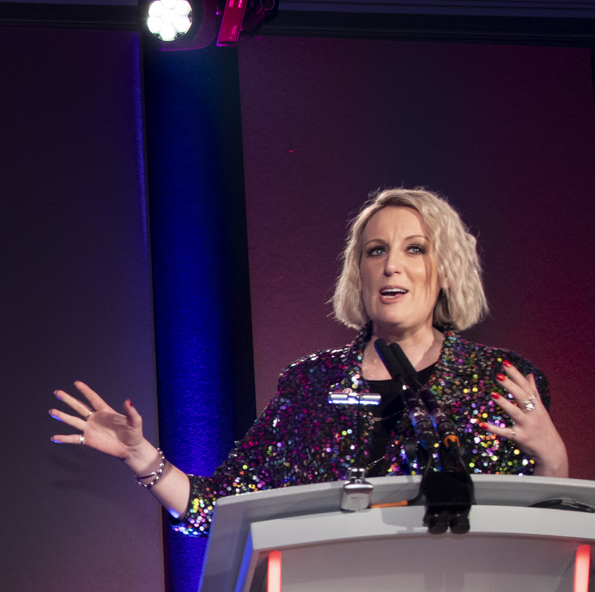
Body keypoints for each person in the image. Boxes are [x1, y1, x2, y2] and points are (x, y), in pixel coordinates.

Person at [51, 187, 568, 533]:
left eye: (415, 249)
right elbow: (221, 507)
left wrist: (554, 460)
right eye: (376, 250)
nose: (392, 265)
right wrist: (142, 457)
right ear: (359, 273)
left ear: (447, 269)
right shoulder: (309, 384)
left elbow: (544, 528)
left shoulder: (498, 379)